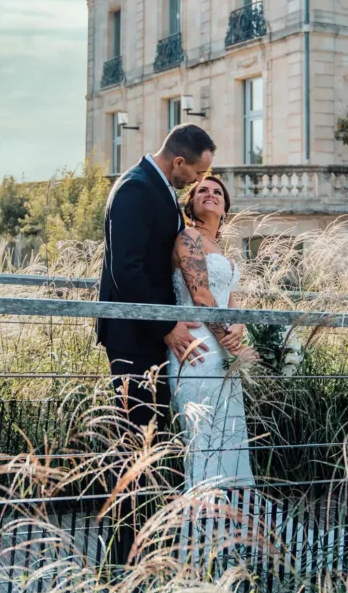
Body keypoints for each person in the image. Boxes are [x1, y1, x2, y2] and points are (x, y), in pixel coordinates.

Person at [97, 124, 217, 565]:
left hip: (148, 337)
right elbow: (126, 270)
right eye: (197, 173)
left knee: (149, 442)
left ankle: (142, 547)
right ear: (179, 161)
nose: (198, 181)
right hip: (134, 337)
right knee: (133, 443)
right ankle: (122, 557)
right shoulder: (134, 188)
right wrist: (166, 325)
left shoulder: (157, 187)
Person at [168, 175, 256, 490]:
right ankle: (203, 511)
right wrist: (233, 346)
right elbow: (202, 296)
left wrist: (239, 325)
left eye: (217, 191)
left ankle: (234, 506)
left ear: (225, 209)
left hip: (223, 352)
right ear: (190, 205)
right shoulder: (188, 237)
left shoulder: (220, 249)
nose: (210, 193)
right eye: (202, 190)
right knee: (202, 434)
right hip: (197, 348)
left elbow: (229, 298)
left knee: (229, 431)